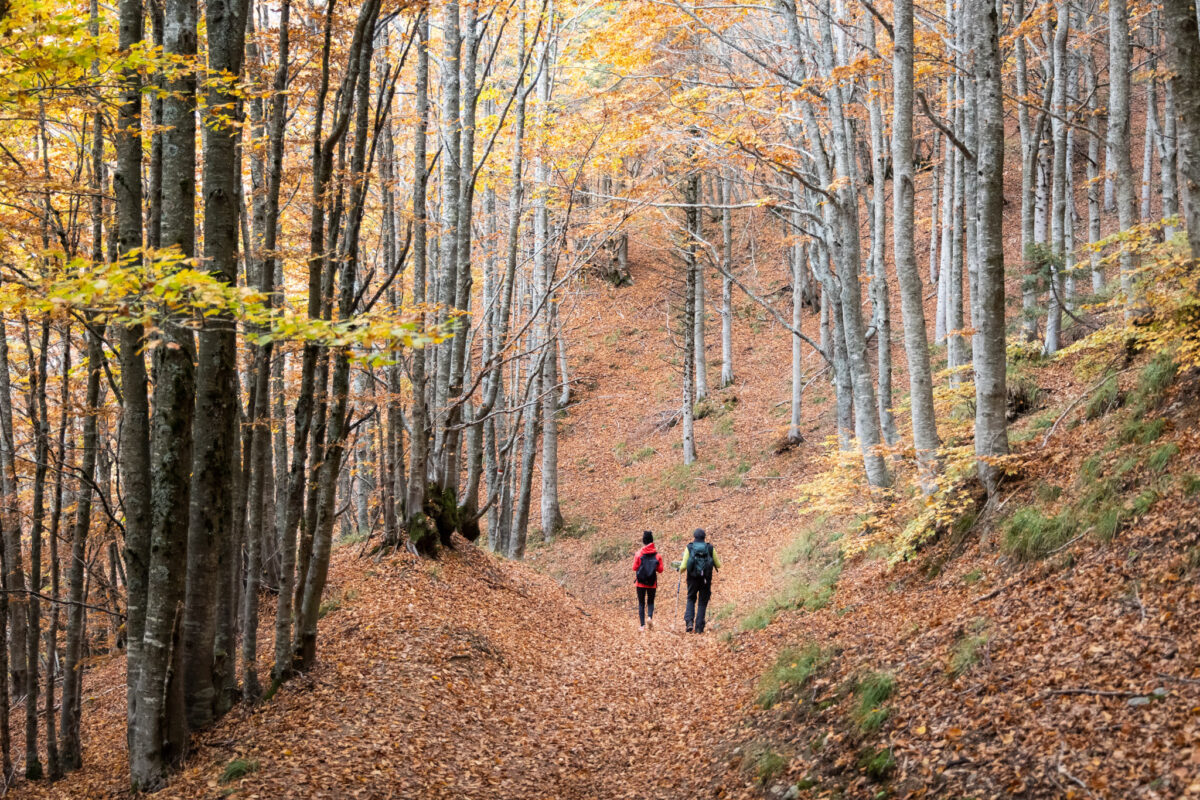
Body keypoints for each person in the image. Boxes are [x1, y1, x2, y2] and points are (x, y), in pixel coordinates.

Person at [678, 528, 720, 633]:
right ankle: (699, 627)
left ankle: (689, 622)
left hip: (692, 578)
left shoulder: (690, 547)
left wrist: (680, 570)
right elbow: (718, 564)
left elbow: (683, 566)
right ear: (704, 537)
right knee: (702, 602)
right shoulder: (710, 548)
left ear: (694, 537)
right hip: (705, 579)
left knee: (691, 598)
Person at [633, 531, 664, 631]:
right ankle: (649, 617)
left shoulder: (638, 554)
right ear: (652, 540)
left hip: (640, 583)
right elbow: (660, 570)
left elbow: (634, 568)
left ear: (643, 541)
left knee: (641, 603)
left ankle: (642, 626)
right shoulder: (657, 556)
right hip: (652, 583)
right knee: (650, 602)